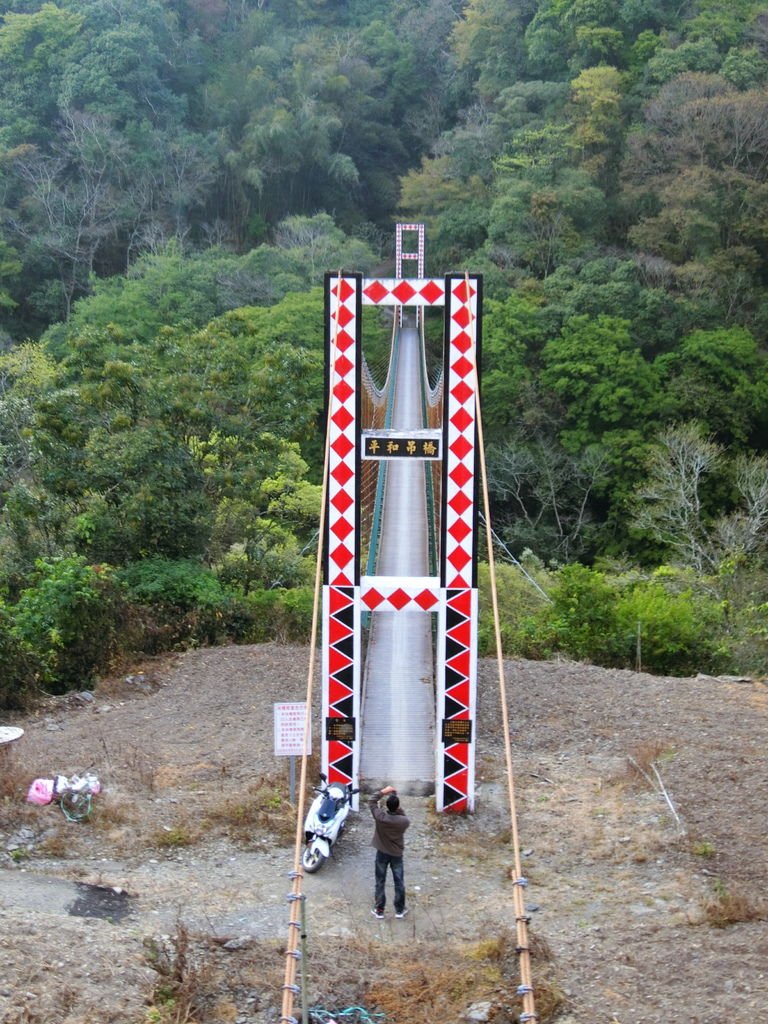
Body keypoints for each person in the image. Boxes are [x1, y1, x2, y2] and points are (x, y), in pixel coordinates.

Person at [369, 784, 410, 919]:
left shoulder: (381, 817)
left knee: (380, 881)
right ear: (398, 806)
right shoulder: (404, 821)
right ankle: (399, 910)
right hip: (397, 855)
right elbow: (401, 813)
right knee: (399, 882)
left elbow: (372, 801)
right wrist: (396, 804)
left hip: (382, 853)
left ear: (386, 806)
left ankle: (379, 909)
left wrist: (383, 791)